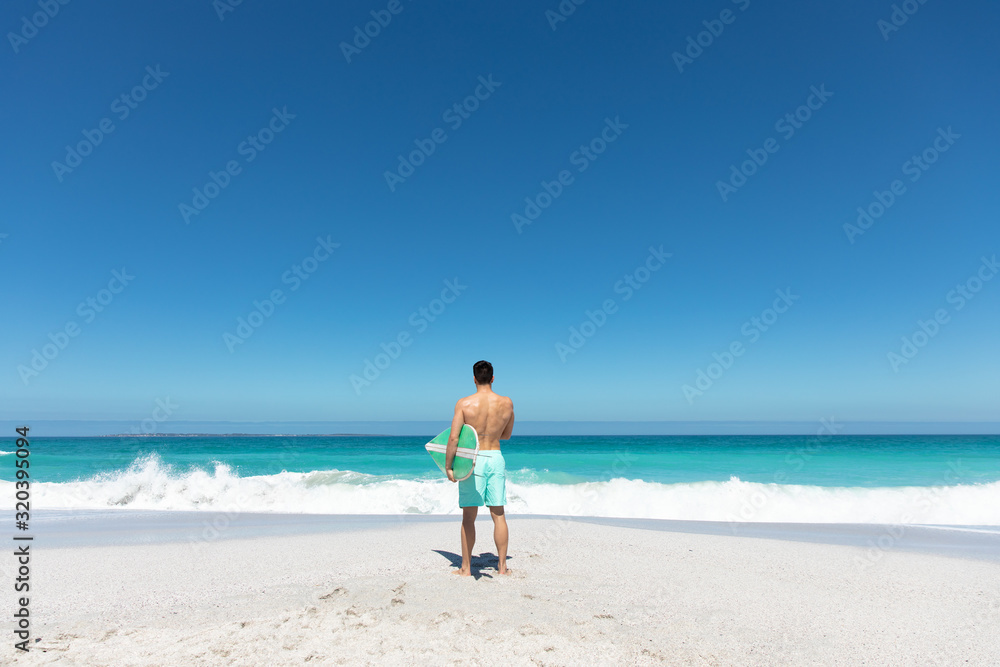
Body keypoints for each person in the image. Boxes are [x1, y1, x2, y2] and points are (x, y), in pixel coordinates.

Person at [445, 360, 514, 576]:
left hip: (472, 459)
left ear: (474, 379)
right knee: (498, 514)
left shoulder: (464, 404)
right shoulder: (507, 403)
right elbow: (507, 434)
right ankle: (502, 567)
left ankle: (466, 568)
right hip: (495, 456)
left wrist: (449, 466)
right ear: (493, 378)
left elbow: (454, 437)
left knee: (469, 516)